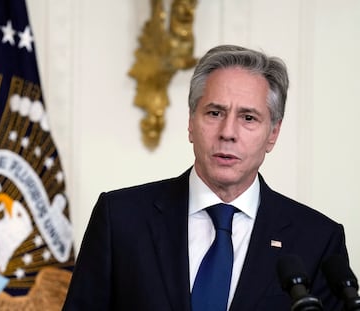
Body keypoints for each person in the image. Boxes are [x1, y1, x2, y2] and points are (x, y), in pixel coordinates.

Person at [62, 45, 349, 311]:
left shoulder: (317, 240)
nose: (228, 132)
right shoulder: (121, 218)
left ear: (273, 133)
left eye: (248, 118)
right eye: (214, 112)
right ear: (190, 123)